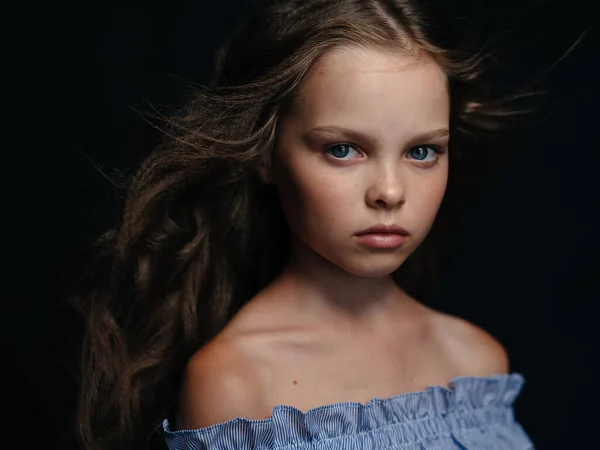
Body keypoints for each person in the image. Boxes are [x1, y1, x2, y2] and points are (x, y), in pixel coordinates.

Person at [65, 0, 537, 449]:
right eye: (343, 149)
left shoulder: (476, 366)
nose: (390, 192)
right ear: (267, 154)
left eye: (422, 151)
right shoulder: (236, 386)